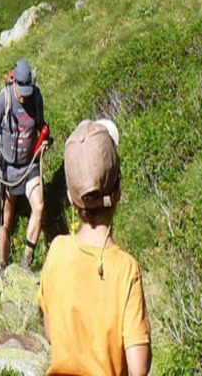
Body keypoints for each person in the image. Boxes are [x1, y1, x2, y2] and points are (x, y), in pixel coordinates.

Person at [38, 119, 151, 376]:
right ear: (119, 189)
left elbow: (51, 334)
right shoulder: (126, 270)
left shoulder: (56, 251)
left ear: (71, 198)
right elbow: (139, 367)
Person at [0, 58, 47, 270]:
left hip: (29, 165)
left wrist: (44, 143)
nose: (24, 96)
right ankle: (3, 265)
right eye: (21, 91)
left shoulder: (36, 97)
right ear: (15, 84)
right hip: (8, 168)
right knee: (6, 221)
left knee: (39, 207)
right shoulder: (4, 99)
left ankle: (26, 262)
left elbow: (41, 126)